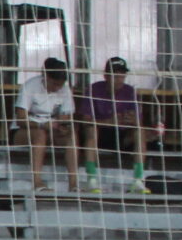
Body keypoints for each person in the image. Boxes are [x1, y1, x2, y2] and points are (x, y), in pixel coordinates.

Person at [82, 56, 165, 194]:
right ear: (106, 75)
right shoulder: (94, 89)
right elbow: (84, 121)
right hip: (100, 134)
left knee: (140, 131)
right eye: (115, 74)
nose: (119, 78)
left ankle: (138, 180)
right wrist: (109, 121)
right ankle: (91, 179)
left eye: (122, 74)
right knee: (91, 130)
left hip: (122, 136)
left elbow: (139, 121)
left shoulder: (130, 92)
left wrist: (132, 120)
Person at [15, 55, 77, 194]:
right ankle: (37, 181)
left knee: (71, 136)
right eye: (55, 84)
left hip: (51, 130)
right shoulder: (30, 86)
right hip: (26, 131)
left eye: (60, 85)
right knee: (40, 135)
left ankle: (73, 183)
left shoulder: (65, 90)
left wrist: (62, 127)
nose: (57, 88)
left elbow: (65, 117)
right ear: (46, 77)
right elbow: (20, 119)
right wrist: (42, 125)